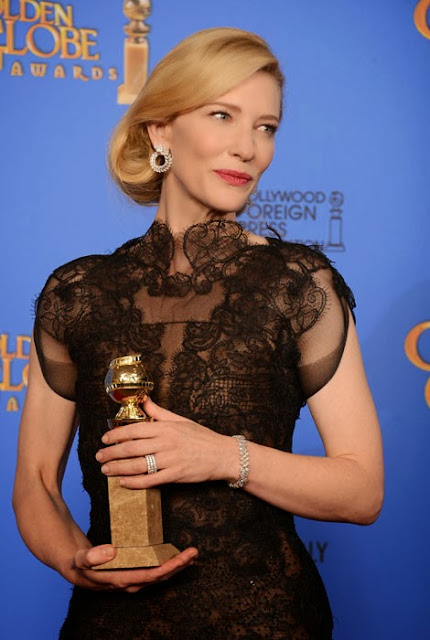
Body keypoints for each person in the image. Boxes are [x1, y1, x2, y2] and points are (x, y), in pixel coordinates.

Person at [13, 27, 384, 639]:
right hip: (109, 625)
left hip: (265, 622)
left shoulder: (297, 284)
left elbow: (362, 489)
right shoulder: (76, 292)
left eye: (266, 127)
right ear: (161, 129)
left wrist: (221, 456)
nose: (248, 148)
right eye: (222, 116)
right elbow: (34, 483)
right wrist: (73, 558)